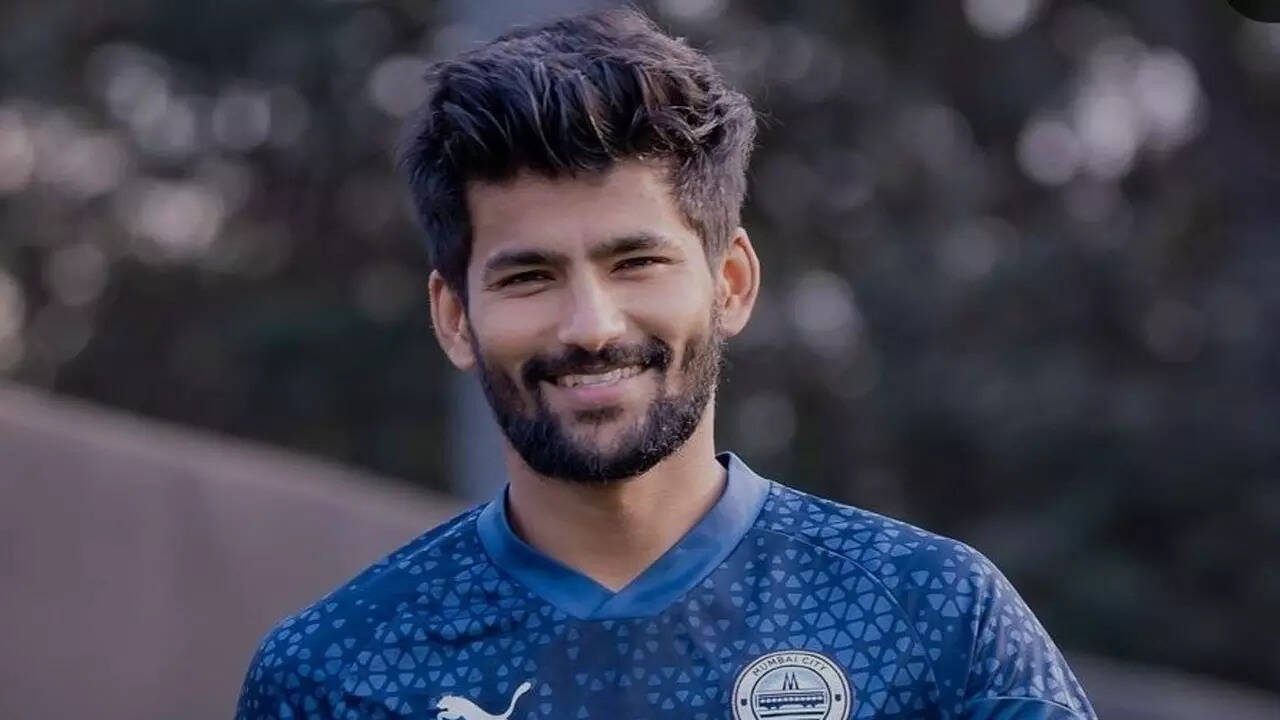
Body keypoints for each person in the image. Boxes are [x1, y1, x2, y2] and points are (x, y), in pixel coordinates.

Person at [236, 9, 1096, 719]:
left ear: (731, 283)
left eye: (636, 262)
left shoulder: (934, 621)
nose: (591, 326)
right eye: (529, 276)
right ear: (455, 317)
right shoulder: (333, 676)